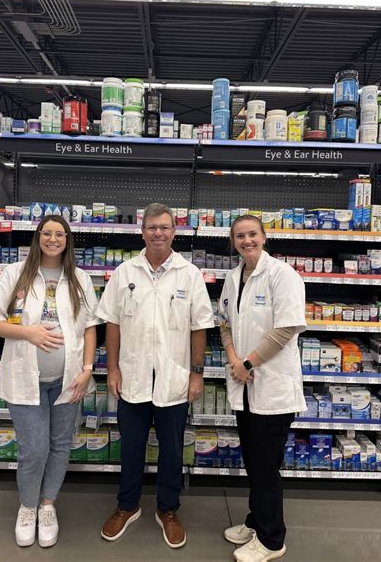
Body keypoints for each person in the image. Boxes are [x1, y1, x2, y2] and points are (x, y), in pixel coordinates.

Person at [0, 215, 101, 548]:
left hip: (68, 381)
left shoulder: (79, 278)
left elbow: (90, 327)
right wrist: (28, 333)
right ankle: (28, 506)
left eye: (60, 234)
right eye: (47, 233)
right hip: (24, 379)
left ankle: (47, 506)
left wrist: (87, 369)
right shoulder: (15, 273)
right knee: (34, 449)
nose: (53, 239)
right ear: (37, 237)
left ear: (68, 240)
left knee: (60, 445)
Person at [96, 202, 214, 548]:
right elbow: (112, 323)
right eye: (152, 227)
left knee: (172, 450)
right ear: (142, 232)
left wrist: (196, 373)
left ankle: (168, 509)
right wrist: (112, 368)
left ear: (174, 232)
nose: (158, 233)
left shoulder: (189, 274)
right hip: (132, 376)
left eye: (164, 227)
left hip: (173, 378)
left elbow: (199, 326)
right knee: (131, 447)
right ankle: (127, 505)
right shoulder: (124, 273)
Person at [218, 215, 306, 562]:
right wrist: (234, 360)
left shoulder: (283, 275)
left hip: (272, 389)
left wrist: (248, 363)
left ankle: (271, 540)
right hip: (245, 385)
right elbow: (224, 322)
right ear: (233, 241)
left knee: (266, 466)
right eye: (240, 236)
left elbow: (285, 330)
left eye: (252, 234)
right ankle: (256, 521)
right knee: (253, 462)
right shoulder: (232, 277)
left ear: (264, 237)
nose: (247, 240)